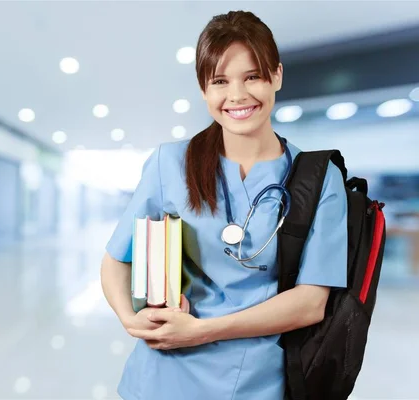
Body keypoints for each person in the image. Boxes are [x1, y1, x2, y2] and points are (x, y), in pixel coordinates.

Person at [100, 10, 348, 400]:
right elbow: (116, 259)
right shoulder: (171, 163)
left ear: (277, 76)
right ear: (204, 89)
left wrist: (200, 331)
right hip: (162, 379)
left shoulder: (318, 177)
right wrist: (133, 321)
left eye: (252, 76)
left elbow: (310, 303)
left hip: (257, 383)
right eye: (220, 81)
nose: (237, 96)